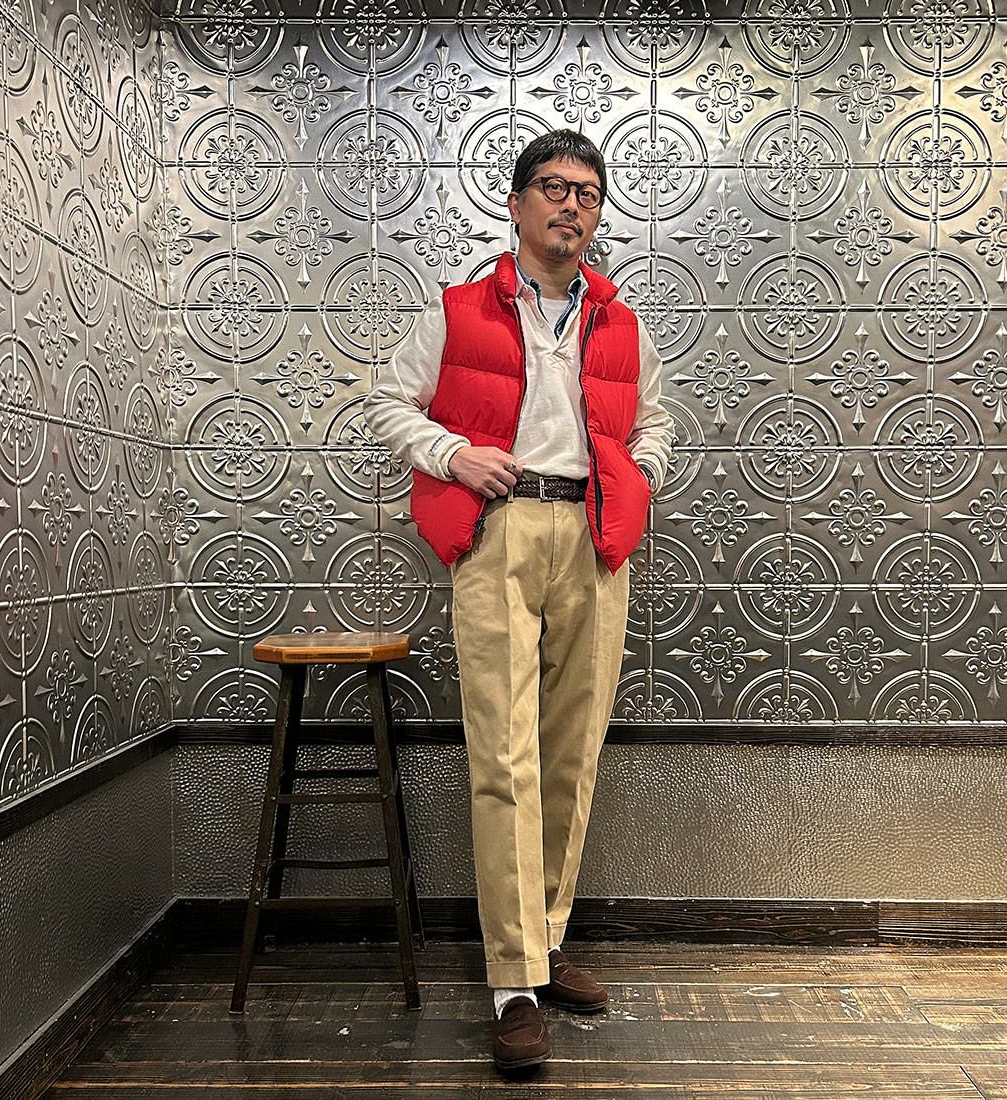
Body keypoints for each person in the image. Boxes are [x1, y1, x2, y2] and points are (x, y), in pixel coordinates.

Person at [362, 128, 674, 1074]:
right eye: (553, 186)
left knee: (572, 752)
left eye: (587, 192)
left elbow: (656, 420)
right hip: (499, 533)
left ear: (598, 213)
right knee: (503, 754)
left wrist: (638, 477)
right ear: (516, 202)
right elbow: (387, 402)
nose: (571, 204)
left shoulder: (620, 323)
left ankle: (545, 941)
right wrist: (453, 454)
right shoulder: (457, 311)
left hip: (593, 536)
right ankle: (511, 983)